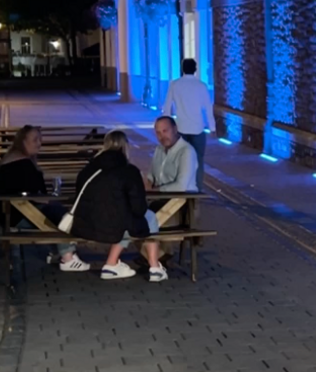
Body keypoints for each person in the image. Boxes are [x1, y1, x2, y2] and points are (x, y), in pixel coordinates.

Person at [70, 131, 167, 282]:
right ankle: (154, 267)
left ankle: (112, 263)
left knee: (123, 218)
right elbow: (139, 208)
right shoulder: (129, 171)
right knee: (147, 217)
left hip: (86, 223)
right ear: (126, 147)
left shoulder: (88, 169)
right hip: (113, 226)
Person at [0, 126, 89, 272]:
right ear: (23, 142)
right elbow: (38, 194)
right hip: (16, 215)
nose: (39, 143)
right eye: (35, 140)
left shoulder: (10, 159)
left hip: (6, 213)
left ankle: (58, 252)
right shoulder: (23, 164)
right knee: (62, 216)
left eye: (40, 139)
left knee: (56, 211)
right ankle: (67, 257)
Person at [162, 58, 216, 188]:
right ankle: (197, 188)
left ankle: (181, 186)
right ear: (195, 70)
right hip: (197, 128)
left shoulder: (174, 85)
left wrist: (166, 127)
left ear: (182, 69)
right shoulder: (201, 86)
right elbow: (208, 108)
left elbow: (167, 107)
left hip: (180, 129)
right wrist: (212, 127)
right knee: (198, 160)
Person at [147, 116, 198, 193]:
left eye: (165, 131)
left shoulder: (186, 151)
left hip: (179, 200)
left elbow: (181, 186)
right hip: (158, 197)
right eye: (158, 133)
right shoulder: (159, 149)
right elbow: (151, 176)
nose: (162, 136)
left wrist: (156, 191)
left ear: (175, 129)